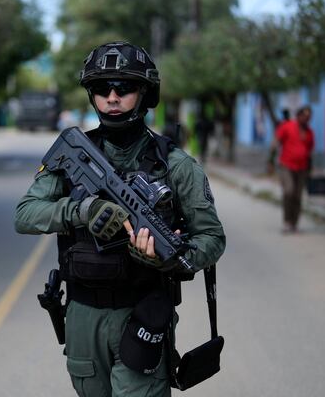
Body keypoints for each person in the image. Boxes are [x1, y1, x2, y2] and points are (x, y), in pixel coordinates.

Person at [15, 41, 225, 397]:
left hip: (141, 312)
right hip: (82, 316)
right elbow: (25, 214)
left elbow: (211, 239)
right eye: (101, 88)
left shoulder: (176, 165)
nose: (112, 97)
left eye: (124, 88)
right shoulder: (74, 156)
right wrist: (80, 211)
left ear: (145, 93)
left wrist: (166, 259)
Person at [268, 106, 315, 233]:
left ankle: (294, 223)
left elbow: (309, 152)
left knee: (298, 196)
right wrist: (270, 160)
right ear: (298, 116)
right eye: (304, 116)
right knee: (289, 191)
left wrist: (310, 170)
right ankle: (287, 221)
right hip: (286, 166)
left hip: (302, 168)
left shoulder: (309, 132)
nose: (306, 119)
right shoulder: (287, 126)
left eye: (309, 117)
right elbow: (276, 142)